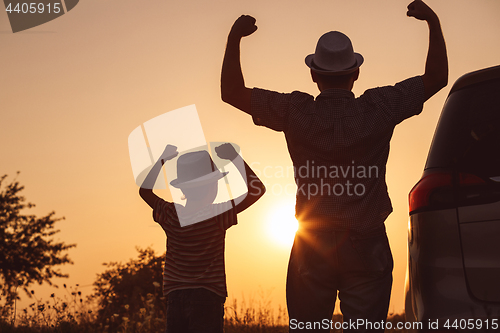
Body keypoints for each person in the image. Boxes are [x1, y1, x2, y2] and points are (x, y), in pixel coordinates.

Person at [220, 1, 447, 332]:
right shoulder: (380, 107)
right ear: (355, 73)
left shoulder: (294, 111)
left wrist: (234, 38)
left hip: (312, 244)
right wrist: (433, 22)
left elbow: (231, 92)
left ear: (314, 75)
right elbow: (437, 77)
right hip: (367, 242)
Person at [139, 143, 266, 333]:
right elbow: (257, 190)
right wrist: (234, 158)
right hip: (208, 296)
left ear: (183, 188)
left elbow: (144, 191)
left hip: (175, 296)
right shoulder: (217, 215)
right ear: (211, 186)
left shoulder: (171, 214)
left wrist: (162, 160)